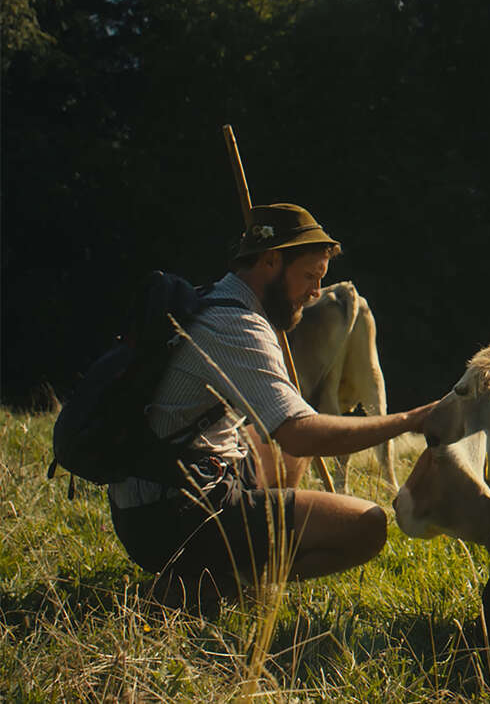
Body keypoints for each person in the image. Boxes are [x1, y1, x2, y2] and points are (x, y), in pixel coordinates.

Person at [108, 203, 435, 590]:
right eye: (310, 276)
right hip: (174, 517)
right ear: (269, 262)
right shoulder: (237, 325)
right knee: (367, 525)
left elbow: (288, 436)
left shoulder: (213, 299)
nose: (316, 293)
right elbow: (300, 434)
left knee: (285, 442)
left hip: (153, 497)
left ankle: (242, 555)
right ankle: (222, 583)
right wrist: (411, 420)